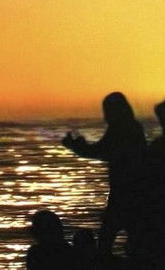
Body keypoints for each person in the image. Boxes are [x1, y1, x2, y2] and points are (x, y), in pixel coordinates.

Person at [63, 92, 147, 256]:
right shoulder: (130, 127)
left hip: (126, 194)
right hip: (130, 193)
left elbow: (102, 151)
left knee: (107, 239)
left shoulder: (122, 129)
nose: (105, 116)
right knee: (129, 236)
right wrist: (80, 147)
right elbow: (102, 150)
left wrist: (77, 147)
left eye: (107, 111)